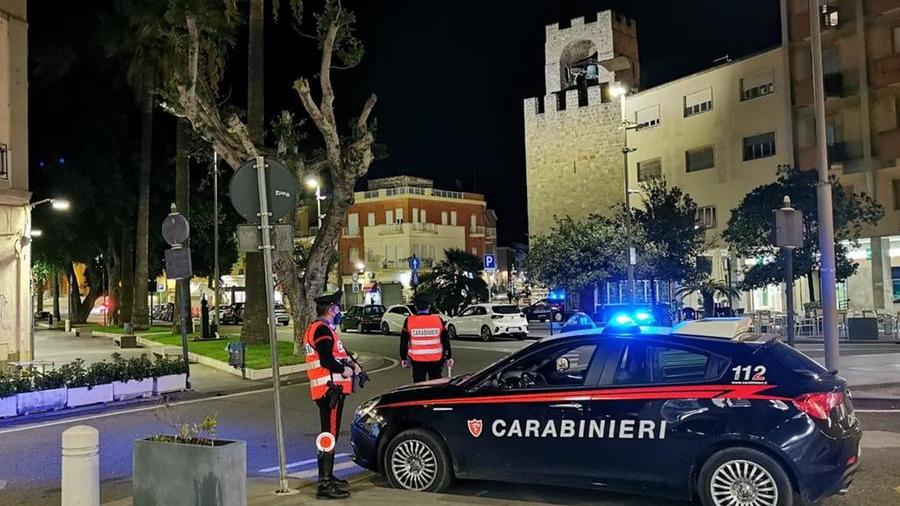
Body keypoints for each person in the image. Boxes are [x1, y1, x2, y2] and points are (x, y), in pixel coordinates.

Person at [303, 290, 359, 500]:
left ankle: (328, 477)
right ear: (331, 310)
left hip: (328, 389)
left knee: (330, 434)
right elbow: (326, 359)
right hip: (330, 390)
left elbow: (335, 355)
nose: (339, 311)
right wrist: (343, 370)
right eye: (337, 308)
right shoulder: (322, 331)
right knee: (329, 435)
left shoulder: (323, 329)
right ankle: (324, 485)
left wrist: (352, 365)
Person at [400, 293, 453, 382]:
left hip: (417, 360)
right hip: (436, 359)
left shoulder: (409, 321)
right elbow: (445, 340)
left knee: (419, 385)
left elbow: (404, 341)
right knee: (435, 384)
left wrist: (403, 358)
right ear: (428, 307)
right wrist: (449, 357)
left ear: (416, 307)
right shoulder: (438, 320)